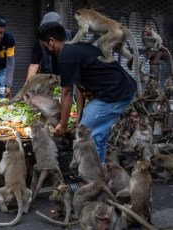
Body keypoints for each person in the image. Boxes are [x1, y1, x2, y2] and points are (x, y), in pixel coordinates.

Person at [38, 22, 136, 164]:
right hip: (122, 90)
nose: (46, 49)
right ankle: (98, 176)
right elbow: (80, 87)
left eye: (45, 45)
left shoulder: (65, 56)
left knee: (85, 136)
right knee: (97, 136)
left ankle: (90, 181)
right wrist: (79, 115)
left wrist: (63, 124)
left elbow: (66, 92)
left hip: (113, 94)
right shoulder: (75, 50)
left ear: (52, 41)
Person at [26, 12, 73, 80]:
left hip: (67, 78)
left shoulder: (71, 36)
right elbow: (34, 65)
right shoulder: (41, 41)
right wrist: (27, 86)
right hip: (48, 79)